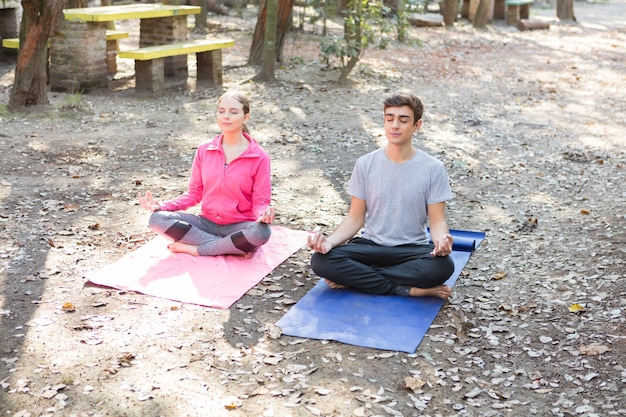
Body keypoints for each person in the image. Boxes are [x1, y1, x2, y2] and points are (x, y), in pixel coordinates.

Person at [307, 92, 455, 299]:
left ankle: (357, 279)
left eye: (403, 120)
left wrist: (441, 243)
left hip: (412, 251)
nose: (395, 125)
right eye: (389, 118)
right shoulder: (365, 164)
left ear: (417, 125)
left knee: (443, 267)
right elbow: (355, 217)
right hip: (370, 247)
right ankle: (406, 289)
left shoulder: (433, 168)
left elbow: (438, 221)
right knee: (321, 260)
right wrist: (329, 242)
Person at [138, 91, 274, 257]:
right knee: (157, 219)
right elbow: (194, 194)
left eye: (233, 112)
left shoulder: (259, 156)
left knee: (261, 232)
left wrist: (263, 214)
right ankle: (229, 247)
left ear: (246, 117)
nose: (226, 116)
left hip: (239, 226)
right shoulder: (205, 149)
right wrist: (162, 206)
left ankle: (196, 249)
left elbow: (260, 200)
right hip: (206, 223)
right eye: (221, 111)